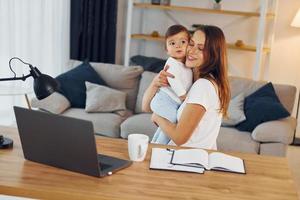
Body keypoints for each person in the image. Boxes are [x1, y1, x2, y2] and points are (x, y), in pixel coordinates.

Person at [142, 25, 230, 150]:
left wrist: (157, 117)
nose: (192, 51)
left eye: (200, 48)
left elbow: (179, 137)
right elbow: (145, 107)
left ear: (213, 55)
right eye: (191, 43)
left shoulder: (203, 86)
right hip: (187, 159)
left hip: (184, 160)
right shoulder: (192, 81)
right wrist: (155, 84)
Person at [150, 25, 193, 144]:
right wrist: (183, 96)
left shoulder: (186, 65)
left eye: (183, 42)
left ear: (189, 45)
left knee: (163, 129)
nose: (178, 46)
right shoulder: (172, 63)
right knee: (171, 126)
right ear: (167, 49)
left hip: (171, 103)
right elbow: (173, 79)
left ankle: (153, 146)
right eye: (172, 43)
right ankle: (159, 148)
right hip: (165, 100)